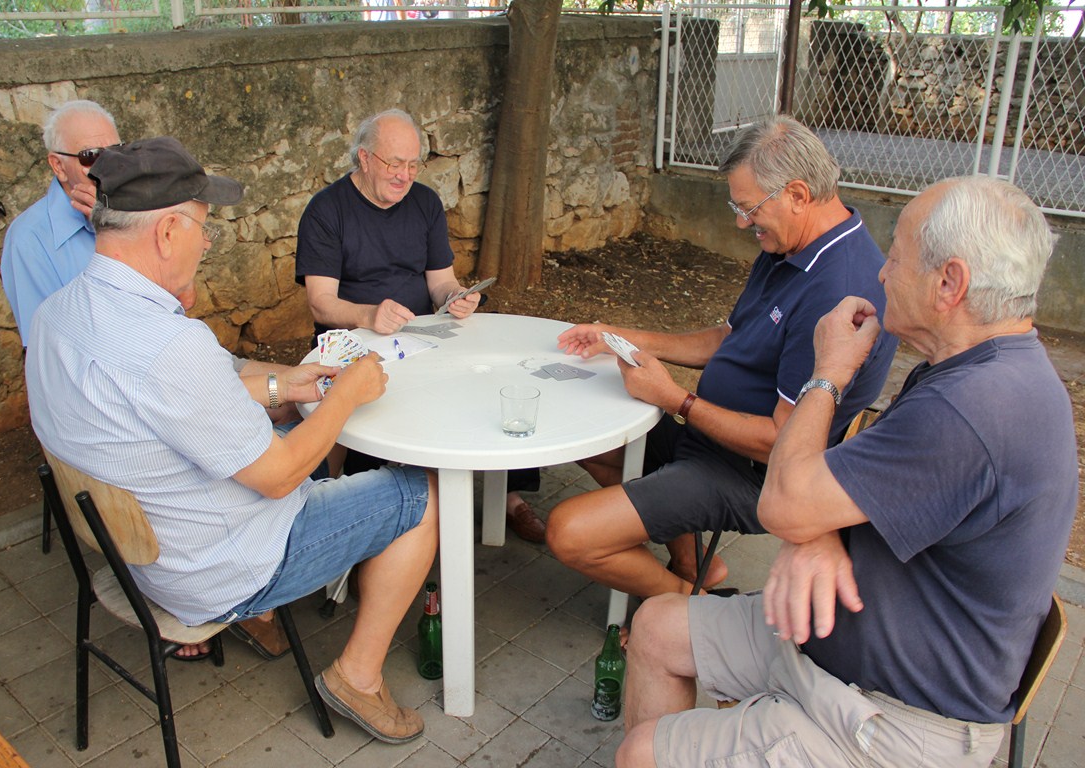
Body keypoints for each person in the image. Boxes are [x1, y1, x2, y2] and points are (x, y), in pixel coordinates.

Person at [615, 175, 1078, 768]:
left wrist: (828, 370)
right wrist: (822, 533)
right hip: (836, 642)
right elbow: (848, 478)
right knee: (655, 627)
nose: (881, 274)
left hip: (895, 717)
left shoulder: (972, 410)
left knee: (641, 754)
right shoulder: (976, 369)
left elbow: (784, 502)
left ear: (950, 283)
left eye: (897, 257)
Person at [25, 137, 440, 745]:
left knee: (298, 421)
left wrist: (284, 384)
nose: (207, 241)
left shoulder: (57, 315)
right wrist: (346, 393)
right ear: (167, 232)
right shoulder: (168, 347)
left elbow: (184, 393)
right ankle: (357, 675)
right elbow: (276, 477)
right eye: (203, 227)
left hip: (134, 556)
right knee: (421, 492)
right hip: (216, 567)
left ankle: (306, 593)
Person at [547, 116, 898, 597]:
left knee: (569, 532)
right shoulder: (793, 244)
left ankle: (689, 609)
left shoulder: (836, 293)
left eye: (749, 207)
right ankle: (696, 571)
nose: (740, 222)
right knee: (587, 437)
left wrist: (675, 400)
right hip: (711, 442)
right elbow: (728, 339)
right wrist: (617, 335)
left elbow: (781, 442)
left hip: (751, 473)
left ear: (797, 194)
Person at [295, 108, 546, 542]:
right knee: (387, 414)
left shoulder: (425, 202)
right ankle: (374, 523)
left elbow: (441, 283)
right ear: (365, 158)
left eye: (413, 165)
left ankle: (510, 494)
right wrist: (368, 314)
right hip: (357, 341)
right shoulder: (326, 210)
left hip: (424, 334)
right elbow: (321, 304)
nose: (405, 176)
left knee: (496, 377)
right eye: (395, 164)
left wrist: (455, 298)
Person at [0, 100, 120, 346]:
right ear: (59, 166)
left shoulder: (130, 206)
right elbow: (50, 347)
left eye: (117, 152)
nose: (109, 166)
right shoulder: (30, 238)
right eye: (92, 155)